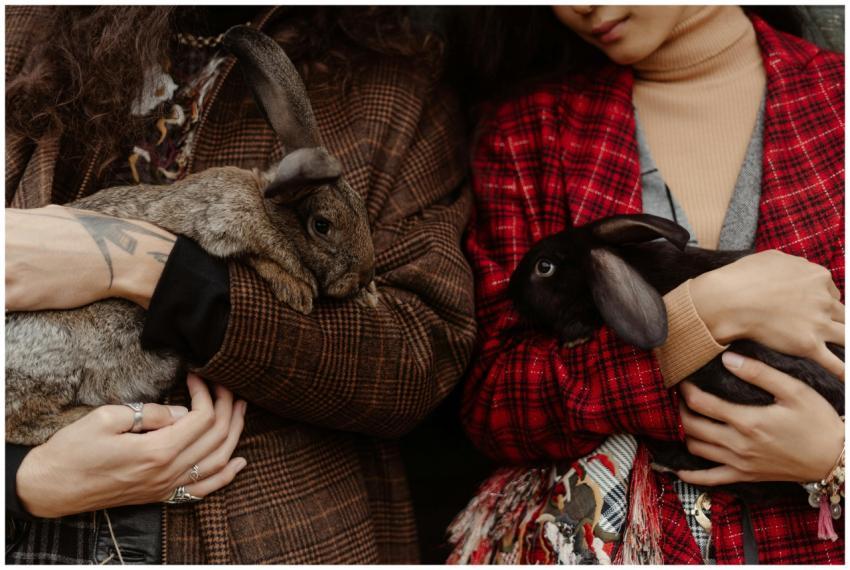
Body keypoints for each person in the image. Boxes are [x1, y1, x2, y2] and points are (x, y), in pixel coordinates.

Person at [6, 5, 475, 564]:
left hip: (263, 536)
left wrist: (162, 275)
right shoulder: (25, 37)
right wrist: (20, 482)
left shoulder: (392, 81)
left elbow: (418, 361)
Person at [455, 5, 844, 564]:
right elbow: (495, 404)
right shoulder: (528, 134)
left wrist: (834, 458)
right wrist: (696, 320)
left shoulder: (836, 103)